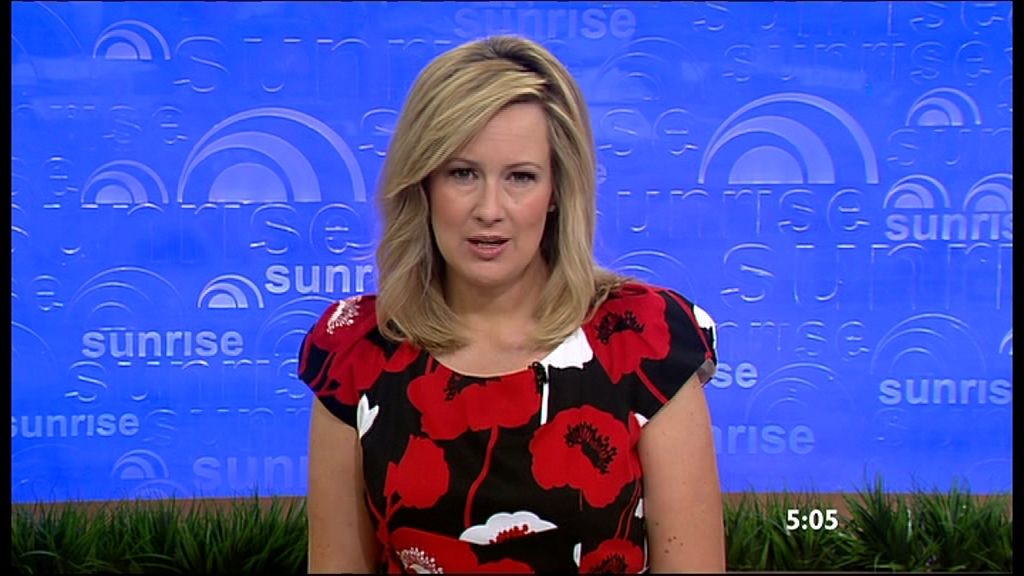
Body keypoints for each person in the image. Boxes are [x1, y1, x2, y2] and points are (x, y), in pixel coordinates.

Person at [299, 34, 724, 574]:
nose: (489, 209)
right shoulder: (356, 354)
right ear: (423, 183)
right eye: (462, 173)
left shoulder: (644, 341)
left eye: (521, 177)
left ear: (557, 190)